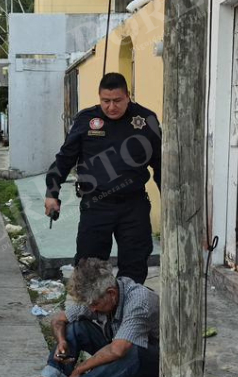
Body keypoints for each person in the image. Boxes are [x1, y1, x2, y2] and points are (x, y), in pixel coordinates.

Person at [44, 72, 161, 285]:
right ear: (99, 97)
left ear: (128, 96)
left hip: (133, 206)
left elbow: (160, 165)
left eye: (117, 100)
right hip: (96, 204)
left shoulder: (146, 120)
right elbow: (65, 159)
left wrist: (170, 200)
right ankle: (93, 306)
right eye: (105, 101)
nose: (111, 107)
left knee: (134, 267)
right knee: (89, 268)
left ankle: (128, 305)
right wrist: (52, 193)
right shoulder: (86, 120)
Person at [10, 259, 159, 377]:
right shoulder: (98, 296)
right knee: (75, 328)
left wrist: (80, 369)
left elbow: (117, 350)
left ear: (112, 294)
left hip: (156, 363)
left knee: (129, 349)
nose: (92, 309)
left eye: (94, 304)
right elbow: (58, 320)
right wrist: (61, 341)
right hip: (121, 349)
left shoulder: (138, 301)